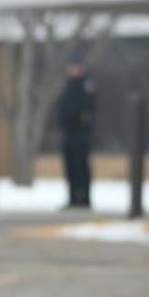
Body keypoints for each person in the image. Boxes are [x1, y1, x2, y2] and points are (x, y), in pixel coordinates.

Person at [57, 58, 96, 210]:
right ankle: (73, 198)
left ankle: (85, 199)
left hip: (81, 132)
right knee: (70, 166)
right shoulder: (67, 85)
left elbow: (89, 108)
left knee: (82, 167)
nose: (74, 69)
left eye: (77, 66)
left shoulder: (87, 85)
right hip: (68, 132)